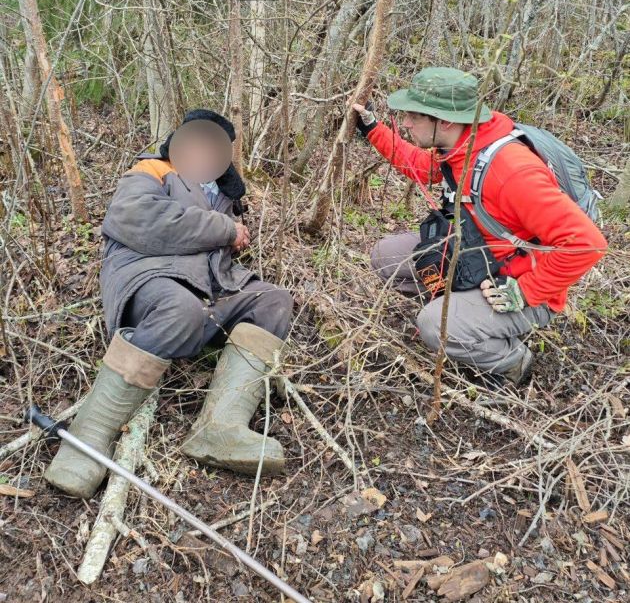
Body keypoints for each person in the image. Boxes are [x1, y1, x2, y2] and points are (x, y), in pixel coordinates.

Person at [45, 109, 293, 499]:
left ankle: (220, 427)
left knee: (274, 301)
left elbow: (218, 258)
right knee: (180, 308)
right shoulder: (150, 170)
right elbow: (140, 220)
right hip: (148, 278)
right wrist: (226, 230)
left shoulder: (226, 196)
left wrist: (229, 225)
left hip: (211, 289)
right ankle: (89, 437)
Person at [353, 67, 607, 386]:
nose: (405, 123)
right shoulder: (461, 145)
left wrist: (525, 292)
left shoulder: (512, 171)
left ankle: (511, 360)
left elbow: (588, 243)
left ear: (444, 120)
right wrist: (373, 129)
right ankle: (462, 316)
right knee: (386, 256)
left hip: (520, 282)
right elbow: (423, 167)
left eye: (415, 116)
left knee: (434, 325)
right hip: (478, 256)